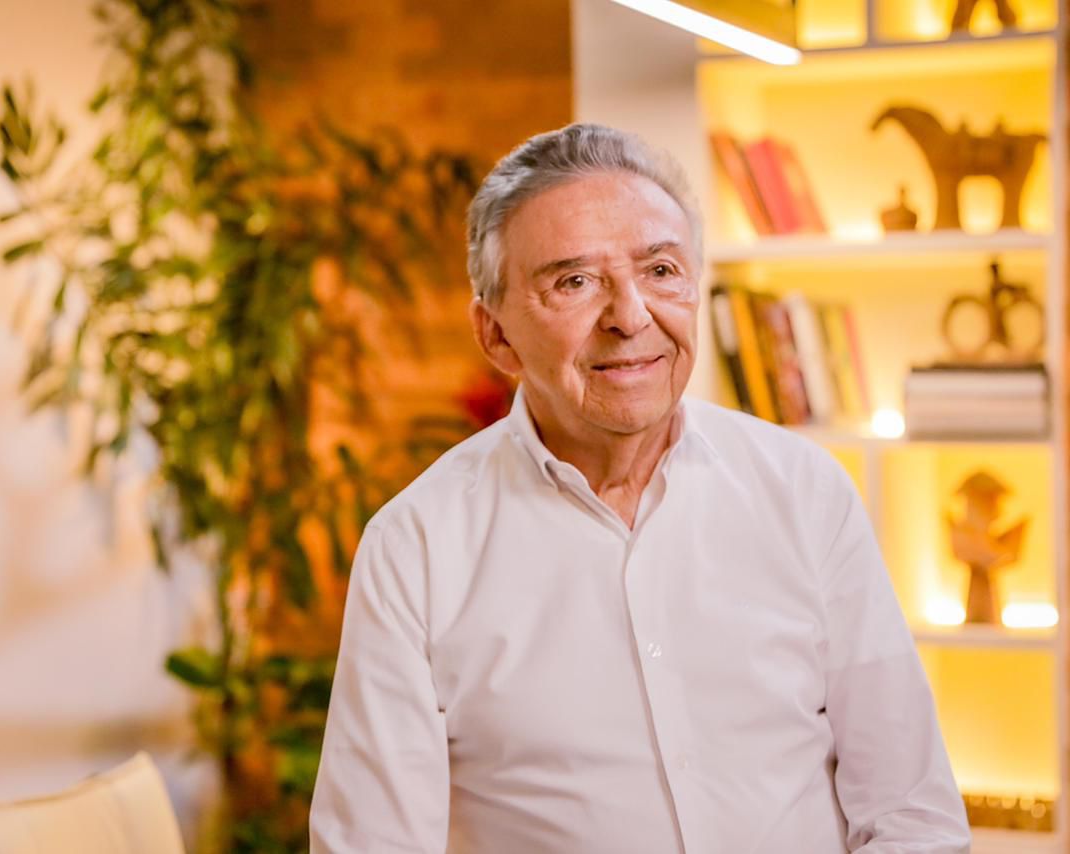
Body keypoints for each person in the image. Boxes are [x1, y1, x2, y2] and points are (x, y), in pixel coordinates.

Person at [309, 123, 970, 853]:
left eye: (660, 270)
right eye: (574, 282)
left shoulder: (806, 491)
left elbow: (911, 814)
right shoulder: (415, 548)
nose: (629, 317)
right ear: (495, 334)